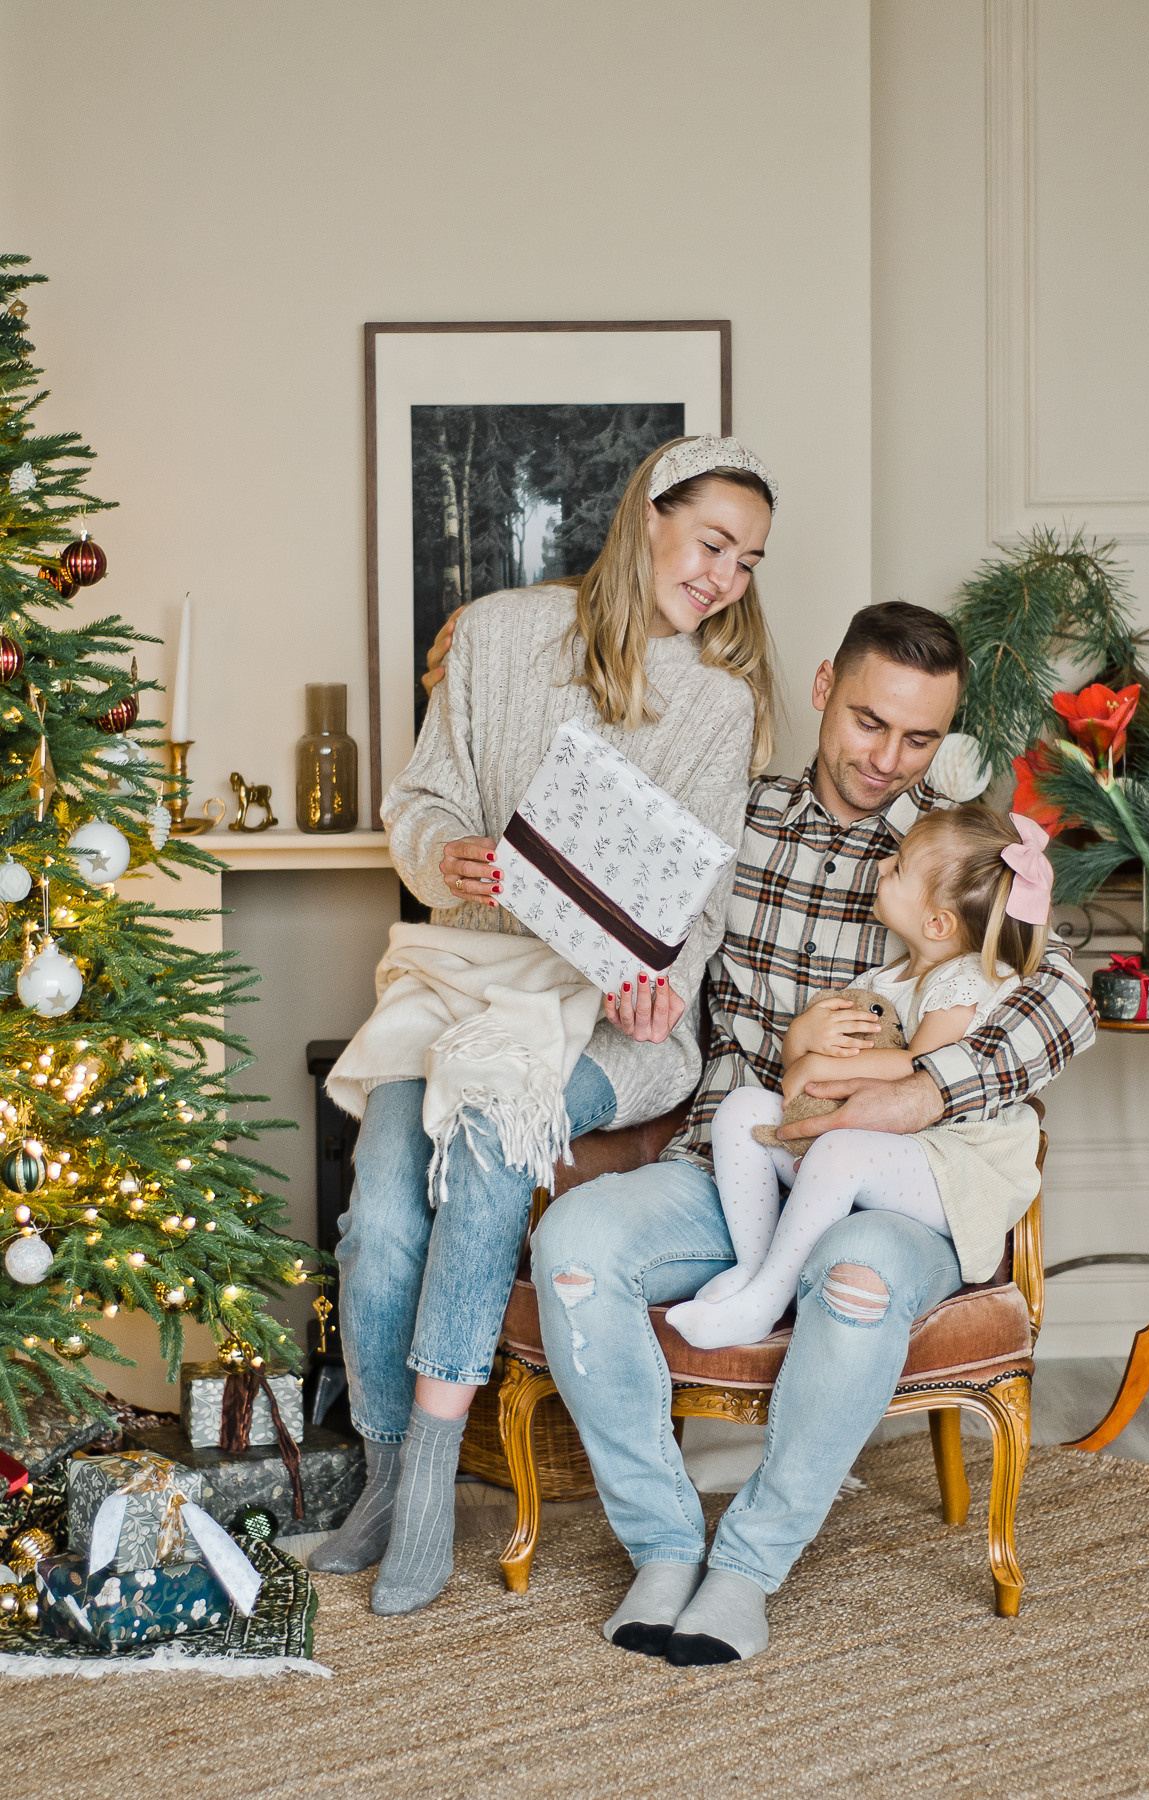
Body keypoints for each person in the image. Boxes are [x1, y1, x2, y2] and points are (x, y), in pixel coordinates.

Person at [531, 600, 1098, 1665]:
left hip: (891, 1192)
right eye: (869, 722)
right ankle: (663, 1546)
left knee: (858, 1280)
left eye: (919, 738)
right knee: (573, 1245)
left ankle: (746, 1569)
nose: (887, 759)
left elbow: (1064, 996)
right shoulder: (732, 817)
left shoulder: (951, 853)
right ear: (824, 687)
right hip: (738, 1160)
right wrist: (631, 992)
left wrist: (923, 1088)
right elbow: (621, 920)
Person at [310, 435, 779, 1617]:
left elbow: (701, 898)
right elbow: (420, 803)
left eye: (746, 562)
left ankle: (430, 1485)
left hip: (608, 1025)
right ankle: (383, 1477)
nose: (723, 578)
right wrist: (444, 855)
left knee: (487, 1140)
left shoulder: (718, 703)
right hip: (461, 978)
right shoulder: (496, 636)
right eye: (711, 543)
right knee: (376, 1217)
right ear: (646, 515)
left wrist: (657, 977)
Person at [665, 803, 1053, 1350]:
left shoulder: (966, 981)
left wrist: (820, 1065)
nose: (881, 866)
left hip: (954, 1168)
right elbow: (812, 1073)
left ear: (937, 923)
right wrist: (803, 1040)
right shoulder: (883, 980)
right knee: (742, 1110)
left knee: (840, 1150)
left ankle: (766, 1302)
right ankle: (755, 1266)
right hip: (883, 1149)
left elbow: (921, 1066)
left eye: (898, 868)